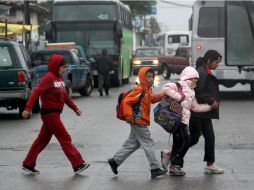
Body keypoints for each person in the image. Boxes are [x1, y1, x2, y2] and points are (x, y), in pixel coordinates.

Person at [22, 54, 90, 175]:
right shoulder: (48, 78)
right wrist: (28, 109)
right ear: (56, 66)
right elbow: (35, 93)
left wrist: (75, 109)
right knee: (65, 138)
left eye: (66, 67)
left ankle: (28, 164)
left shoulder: (60, 79)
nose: (65, 70)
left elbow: (65, 96)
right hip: (49, 114)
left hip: (54, 115)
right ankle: (78, 164)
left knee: (41, 140)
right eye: (63, 67)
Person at [108, 67, 167, 179]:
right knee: (148, 143)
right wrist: (129, 115)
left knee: (134, 143)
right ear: (142, 78)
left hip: (140, 120)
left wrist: (164, 94)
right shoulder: (140, 89)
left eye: (152, 76)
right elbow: (127, 101)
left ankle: (115, 161)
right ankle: (155, 168)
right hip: (137, 120)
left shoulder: (147, 89)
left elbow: (152, 99)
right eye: (148, 77)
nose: (151, 79)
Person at [161, 66, 218, 176]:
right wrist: (179, 97)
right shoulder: (180, 85)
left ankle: (172, 162)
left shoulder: (192, 92)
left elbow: (195, 107)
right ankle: (175, 163)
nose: (195, 80)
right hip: (177, 120)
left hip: (183, 121)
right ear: (187, 78)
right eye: (193, 78)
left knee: (179, 143)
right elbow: (166, 88)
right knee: (186, 141)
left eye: (196, 79)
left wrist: (210, 107)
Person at [189, 50, 224, 174]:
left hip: (203, 112)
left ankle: (210, 163)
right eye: (216, 62)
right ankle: (171, 155)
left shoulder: (204, 71)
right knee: (193, 138)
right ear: (209, 60)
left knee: (209, 137)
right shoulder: (202, 73)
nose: (217, 64)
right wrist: (211, 100)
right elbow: (199, 92)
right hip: (197, 112)